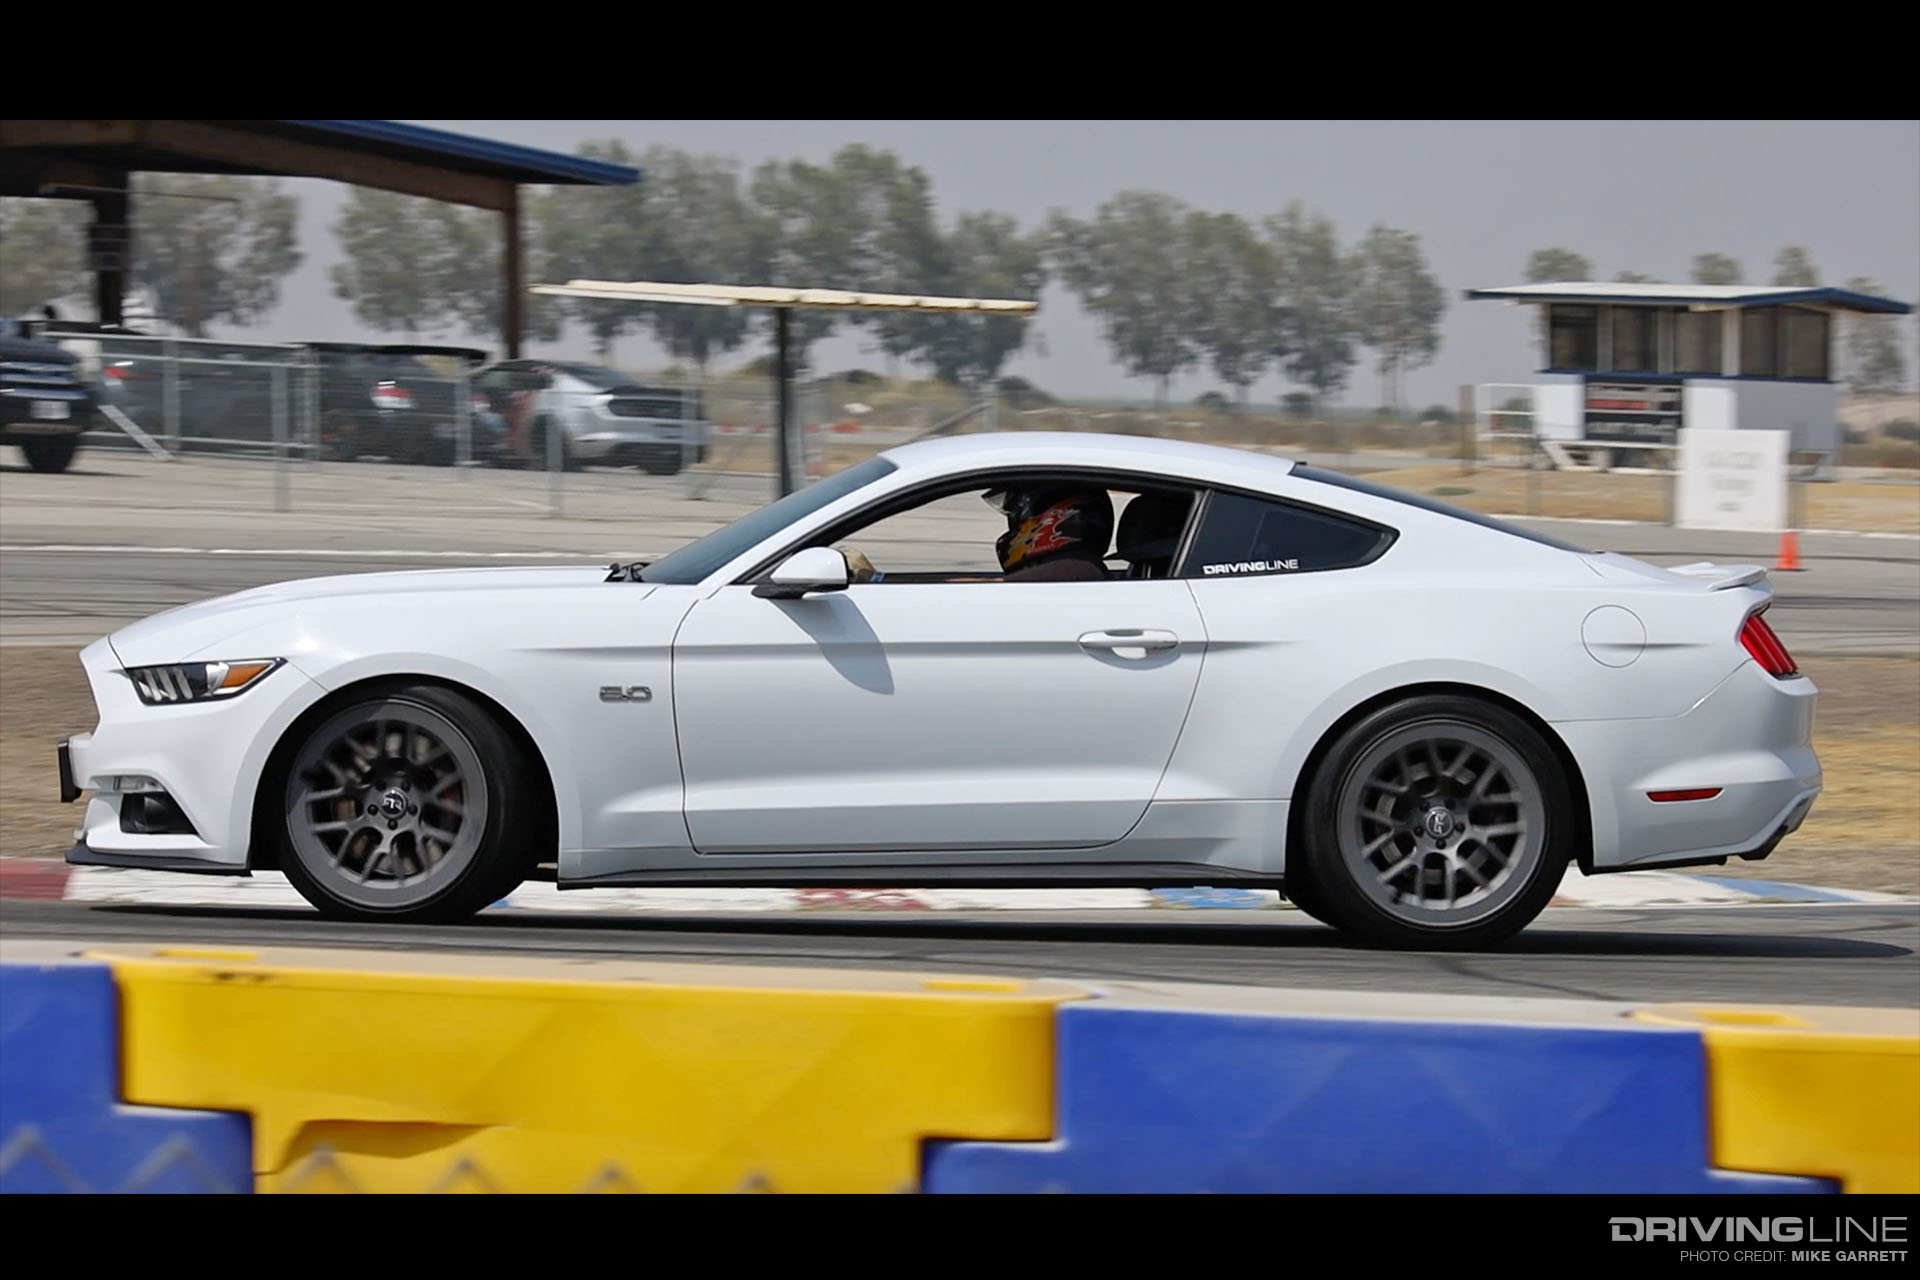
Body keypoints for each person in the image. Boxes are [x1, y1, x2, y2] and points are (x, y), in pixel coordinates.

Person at [843, 484, 1115, 584]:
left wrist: (875, 578)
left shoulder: (1072, 571)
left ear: (1056, 518)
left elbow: (980, 590)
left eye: (1018, 514)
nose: (1015, 525)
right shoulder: (1073, 570)